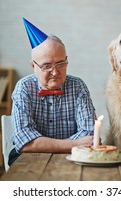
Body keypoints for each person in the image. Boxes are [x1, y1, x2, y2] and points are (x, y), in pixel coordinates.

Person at [9, 19, 96, 166]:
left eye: (61, 64)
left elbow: (89, 135)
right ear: (33, 66)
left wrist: (45, 144)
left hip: (72, 158)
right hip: (29, 159)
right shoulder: (23, 88)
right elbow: (24, 142)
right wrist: (72, 144)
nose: (55, 72)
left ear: (67, 60)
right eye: (47, 66)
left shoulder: (78, 86)